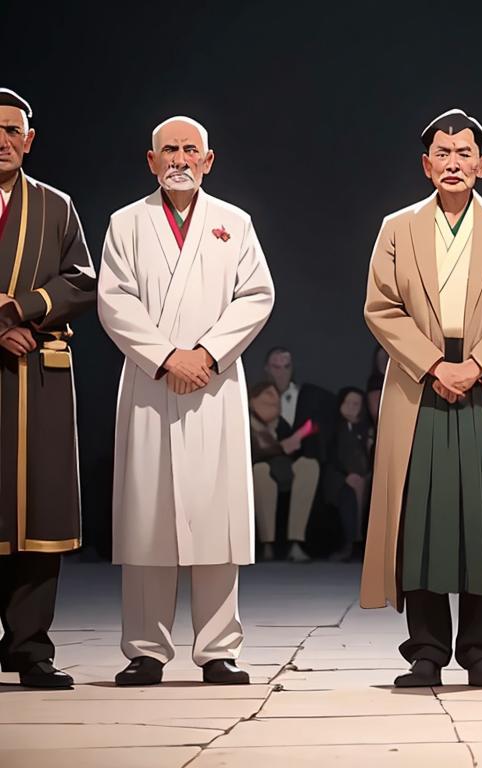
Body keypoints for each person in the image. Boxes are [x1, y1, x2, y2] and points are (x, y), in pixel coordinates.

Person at [358, 109, 482, 688]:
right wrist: (436, 364)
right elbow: (381, 306)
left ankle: (481, 650)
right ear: (426, 164)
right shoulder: (398, 227)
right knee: (421, 517)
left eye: (465, 154)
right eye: (443, 153)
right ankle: (427, 649)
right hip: (421, 381)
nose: (454, 163)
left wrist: (477, 365)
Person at [98, 115, 274, 686]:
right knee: (148, 513)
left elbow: (257, 295)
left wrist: (208, 353)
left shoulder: (234, 222)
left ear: (208, 159)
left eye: (189, 150)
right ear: (151, 161)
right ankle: (146, 648)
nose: (179, 158)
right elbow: (113, 300)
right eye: (168, 150)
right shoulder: (126, 223)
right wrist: (167, 356)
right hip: (151, 382)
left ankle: (219, 648)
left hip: (214, 383)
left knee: (217, 514)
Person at [0, 88, 97, 689]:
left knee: (39, 511)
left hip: (37, 373)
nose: (3, 140)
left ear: (29, 140)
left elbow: (83, 280)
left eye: (13, 130)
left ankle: (31, 647)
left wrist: (25, 312)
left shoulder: (56, 206)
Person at [248, 382, 320, 562]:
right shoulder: (247, 424)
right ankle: (267, 543)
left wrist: (294, 442)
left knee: (308, 466)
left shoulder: (282, 425)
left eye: (275, 396)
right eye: (267, 394)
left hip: (284, 469)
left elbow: (297, 451)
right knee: (261, 471)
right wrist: (280, 447)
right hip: (259, 469)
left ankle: (296, 540)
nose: (274, 400)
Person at [325, 387, 373, 561]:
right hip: (339, 477)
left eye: (356, 404)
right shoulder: (333, 428)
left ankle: (360, 542)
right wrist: (346, 475)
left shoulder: (366, 429)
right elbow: (329, 457)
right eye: (348, 402)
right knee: (348, 494)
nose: (352, 407)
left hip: (365, 477)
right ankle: (350, 543)